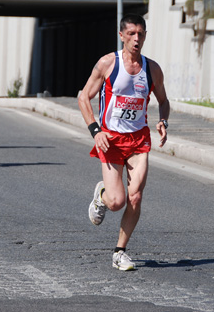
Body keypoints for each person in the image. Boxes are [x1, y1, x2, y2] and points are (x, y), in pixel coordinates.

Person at [78, 14, 170, 271]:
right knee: (117, 201)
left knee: (136, 197)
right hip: (110, 139)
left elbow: (163, 101)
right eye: (131, 34)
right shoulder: (108, 63)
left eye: (140, 34)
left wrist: (163, 121)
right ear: (121, 36)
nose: (136, 38)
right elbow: (83, 97)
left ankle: (120, 252)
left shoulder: (152, 69)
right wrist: (95, 131)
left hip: (139, 139)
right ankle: (102, 196)